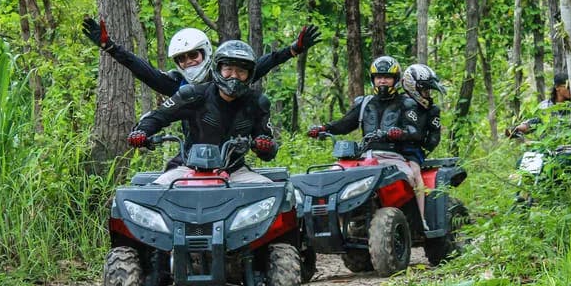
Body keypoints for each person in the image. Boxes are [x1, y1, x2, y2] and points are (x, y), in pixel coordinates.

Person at [127, 40, 277, 185]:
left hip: (235, 171)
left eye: (241, 71)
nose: (234, 76)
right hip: (188, 168)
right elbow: (159, 116)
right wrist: (142, 132)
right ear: (218, 69)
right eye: (228, 69)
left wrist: (264, 145)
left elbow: (268, 150)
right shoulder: (192, 95)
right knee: (153, 194)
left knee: (273, 193)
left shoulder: (257, 103)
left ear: (249, 74)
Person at [306, 55, 428, 225]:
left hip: (394, 158)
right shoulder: (365, 103)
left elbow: (415, 131)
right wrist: (323, 128)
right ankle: (333, 223)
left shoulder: (406, 103)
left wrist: (399, 133)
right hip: (365, 158)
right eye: (378, 77)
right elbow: (344, 124)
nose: (382, 81)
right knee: (333, 174)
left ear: (395, 79)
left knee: (411, 178)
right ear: (373, 79)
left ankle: (422, 220)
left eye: (387, 77)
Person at [82, 18, 321, 97]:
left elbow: (263, 64)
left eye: (193, 55)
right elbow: (143, 70)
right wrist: (110, 47)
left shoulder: (228, 77)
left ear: (205, 52)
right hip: (191, 157)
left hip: (231, 157)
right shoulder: (177, 85)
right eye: (182, 59)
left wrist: (293, 49)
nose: (188, 62)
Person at [399, 63, 446, 226]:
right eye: (424, 89)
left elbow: (434, 136)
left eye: (428, 90)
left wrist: (422, 142)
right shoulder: (398, 102)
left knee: (414, 171)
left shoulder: (431, 110)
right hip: (389, 148)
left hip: (413, 150)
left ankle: (421, 218)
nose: (427, 93)